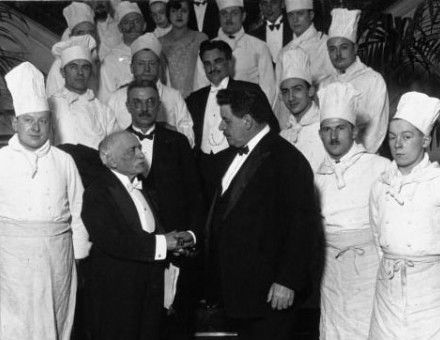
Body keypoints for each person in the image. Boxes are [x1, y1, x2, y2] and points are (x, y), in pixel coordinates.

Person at [205, 86, 318, 340]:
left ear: (247, 121)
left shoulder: (288, 160)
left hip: (272, 292)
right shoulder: (229, 156)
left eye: (226, 120)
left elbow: (302, 226)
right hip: (240, 291)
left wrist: (287, 281)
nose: (222, 127)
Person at [0, 61, 90, 339]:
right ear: (15, 122)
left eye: (42, 120)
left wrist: (79, 256)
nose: (36, 128)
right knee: (14, 323)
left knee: (57, 319)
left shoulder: (64, 161)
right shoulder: (1, 160)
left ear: (51, 123)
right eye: (28, 120)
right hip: (11, 259)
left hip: (57, 258)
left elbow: (78, 210)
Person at [81, 130, 192, 340]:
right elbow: (114, 241)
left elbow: (146, 232)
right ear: (109, 159)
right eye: (132, 150)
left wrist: (172, 243)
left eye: (140, 148)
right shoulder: (98, 192)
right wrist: (162, 243)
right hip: (119, 297)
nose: (141, 155)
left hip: (148, 292)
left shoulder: (142, 189)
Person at [125, 79, 204, 339]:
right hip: (139, 252)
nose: (144, 108)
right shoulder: (116, 145)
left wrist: (191, 235)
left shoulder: (178, 142)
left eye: (150, 102)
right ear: (127, 105)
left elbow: (195, 195)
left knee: (178, 322)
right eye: (137, 102)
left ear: (159, 105)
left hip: (177, 248)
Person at [315, 82, 389, 339]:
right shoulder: (316, 177)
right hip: (332, 276)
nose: (333, 137)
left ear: (354, 131)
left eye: (340, 129)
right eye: (327, 129)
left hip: (369, 273)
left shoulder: (380, 167)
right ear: (319, 134)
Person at [369, 92, 440, 339]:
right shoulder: (381, 185)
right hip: (387, 290)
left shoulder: (436, 183)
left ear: (425, 140)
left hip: (430, 292)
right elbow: (377, 235)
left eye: (407, 136)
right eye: (392, 137)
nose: (397, 144)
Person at [186, 40, 279, 199]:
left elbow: (271, 129)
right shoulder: (194, 99)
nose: (212, 68)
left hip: (237, 162)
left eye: (218, 61)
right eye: (207, 63)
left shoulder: (249, 91)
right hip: (203, 171)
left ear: (229, 62)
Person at [320, 8, 389, 154]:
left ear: (355, 48)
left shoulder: (373, 80)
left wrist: (358, 159)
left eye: (344, 47)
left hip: (364, 160)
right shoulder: (325, 84)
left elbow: (376, 131)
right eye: (332, 49)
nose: (338, 54)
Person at [107, 33, 195, 146]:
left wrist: (171, 131)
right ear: (132, 68)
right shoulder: (117, 98)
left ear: (159, 67)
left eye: (152, 63)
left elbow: (189, 139)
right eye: (141, 64)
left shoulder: (173, 96)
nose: (146, 69)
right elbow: (110, 139)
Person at [193, 0, 276, 105]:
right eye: (224, 13)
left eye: (234, 13)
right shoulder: (207, 49)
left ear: (243, 16)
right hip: (214, 111)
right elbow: (199, 88)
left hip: (248, 113)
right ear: (219, 17)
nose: (228, 18)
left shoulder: (259, 47)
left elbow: (269, 89)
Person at [48, 39, 119, 150]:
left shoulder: (104, 111)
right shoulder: (51, 105)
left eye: (85, 67)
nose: (80, 72)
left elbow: (116, 148)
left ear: (90, 72)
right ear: (63, 72)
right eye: (73, 67)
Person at [278, 47, 325, 171]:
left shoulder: (325, 127)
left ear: (310, 91)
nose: (291, 97)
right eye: (285, 91)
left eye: (297, 89)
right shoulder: (284, 134)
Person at [46, 2, 99, 98]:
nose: (86, 37)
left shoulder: (94, 60)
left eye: (91, 32)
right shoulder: (60, 65)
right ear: (71, 36)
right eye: (80, 33)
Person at [275, 0, 334, 87]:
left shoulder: (325, 43)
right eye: (291, 15)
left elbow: (336, 80)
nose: (295, 20)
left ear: (311, 15)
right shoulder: (283, 52)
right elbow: (278, 91)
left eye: (300, 13)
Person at [99, 1, 146, 103]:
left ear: (144, 25)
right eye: (126, 22)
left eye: (137, 21)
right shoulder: (110, 60)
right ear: (120, 28)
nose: (132, 26)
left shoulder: (155, 53)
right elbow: (106, 100)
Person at [160, 0, 208, 98]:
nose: (179, 15)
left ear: (190, 13)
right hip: (169, 100)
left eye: (184, 11)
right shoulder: (160, 42)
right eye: (174, 11)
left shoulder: (200, 38)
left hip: (197, 98)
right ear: (168, 14)